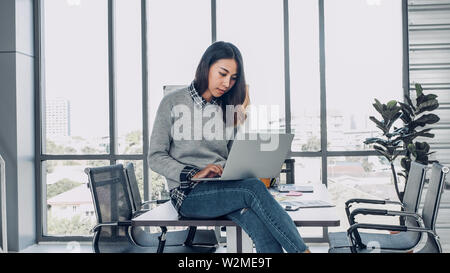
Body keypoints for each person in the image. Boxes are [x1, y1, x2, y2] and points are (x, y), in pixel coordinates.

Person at [148, 41, 309, 253]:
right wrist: (194, 172)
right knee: (252, 189)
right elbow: (155, 156)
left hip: (223, 188)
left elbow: (233, 155)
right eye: (222, 73)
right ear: (206, 66)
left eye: (233, 78)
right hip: (188, 194)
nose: (227, 83)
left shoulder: (229, 108)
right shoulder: (172, 102)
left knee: (259, 225)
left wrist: (256, 167)